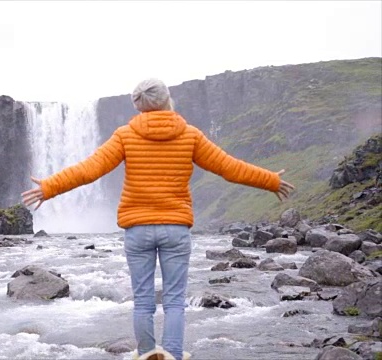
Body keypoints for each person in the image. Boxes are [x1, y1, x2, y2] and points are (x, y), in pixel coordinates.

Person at [21, 78, 295, 360]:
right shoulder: (190, 135)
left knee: (143, 301)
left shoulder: (125, 135)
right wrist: (270, 180)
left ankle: (148, 354)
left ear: (138, 105)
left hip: (137, 229)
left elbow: (89, 169)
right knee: (175, 301)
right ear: (167, 99)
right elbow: (229, 167)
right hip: (175, 228)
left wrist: (49, 187)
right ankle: (173, 354)